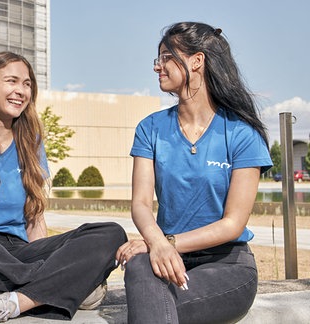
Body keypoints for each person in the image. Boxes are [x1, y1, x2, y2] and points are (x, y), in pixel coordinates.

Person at [0, 51, 128, 322]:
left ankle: (16, 301)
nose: (21, 91)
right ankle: (69, 284)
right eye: (12, 81)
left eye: (27, 84)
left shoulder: (31, 144)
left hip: (21, 251)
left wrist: (48, 254)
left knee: (111, 233)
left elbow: (35, 220)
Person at [116, 22, 272, 323]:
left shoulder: (241, 134)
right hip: (166, 258)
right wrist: (157, 244)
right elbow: (140, 204)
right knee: (138, 265)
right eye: (157, 59)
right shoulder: (150, 128)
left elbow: (233, 224)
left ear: (196, 61)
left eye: (165, 57)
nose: (157, 67)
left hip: (228, 265)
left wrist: (166, 243)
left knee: (156, 305)